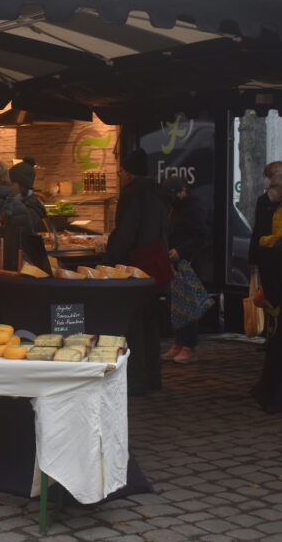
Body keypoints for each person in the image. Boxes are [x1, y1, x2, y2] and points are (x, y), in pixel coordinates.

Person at [107, 147, 168, 394]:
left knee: (135, 324)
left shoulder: (132, 194)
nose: (120, 175)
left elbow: (127, 232)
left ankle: (137, 380)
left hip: (136, 267)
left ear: (129, 173)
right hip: (156, 265)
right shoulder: (158, 192)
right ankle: (153, 377)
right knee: (151, 324)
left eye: (121, 171)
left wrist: (112, 257)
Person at [160, 177, 209, 364]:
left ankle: (189, 346)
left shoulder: (192, 210)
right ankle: (179, 343)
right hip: (177, 261)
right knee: (177, 303)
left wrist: (181, 251)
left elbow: (202, 236)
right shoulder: (176, 209)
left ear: (183, 191)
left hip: (187, 262)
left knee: (187, 303)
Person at [247, 161, 282, 270]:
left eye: (270, 176)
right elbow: (257, 231)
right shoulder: (263, 201)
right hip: (265, 255)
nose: (266, 180)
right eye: (266, 176)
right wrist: (252, 259)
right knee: (261, 287)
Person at [8, 157, 47, 231]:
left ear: (22, 185)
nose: (9, 186)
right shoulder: (23, 203)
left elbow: (20, 238)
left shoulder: (28, 210)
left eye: (12, 183)